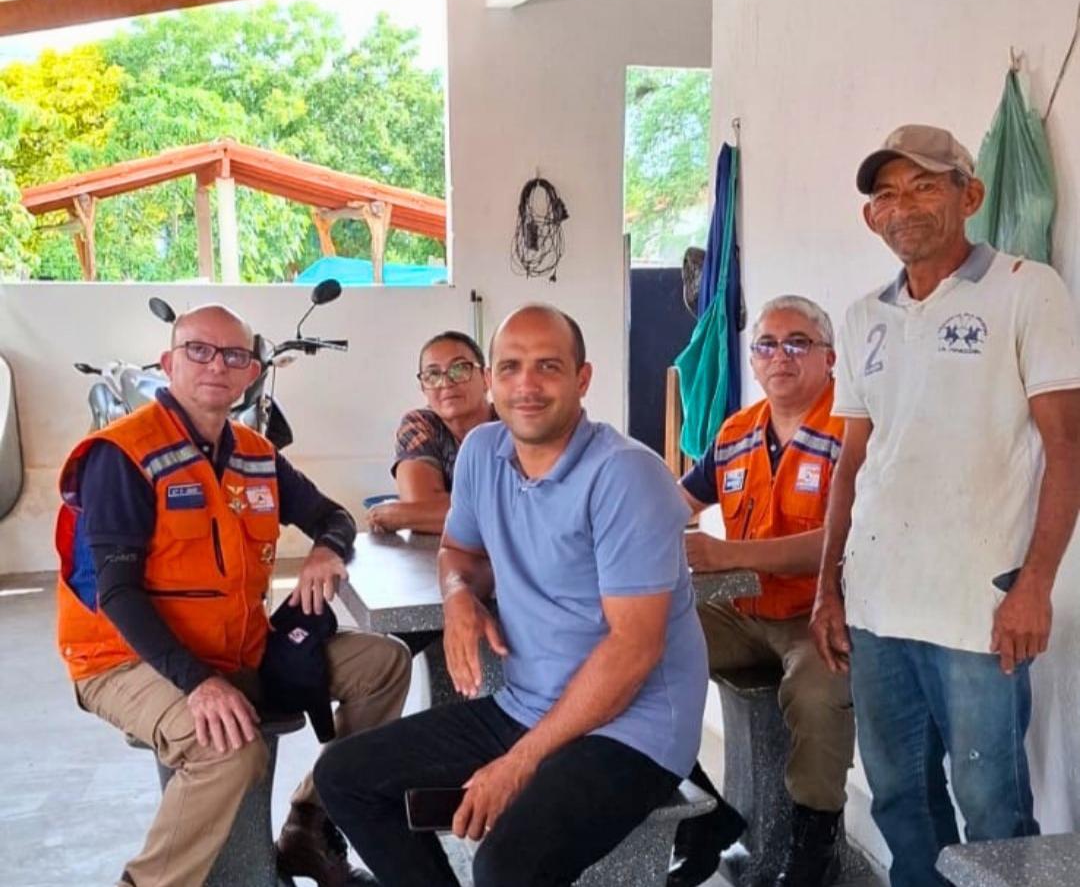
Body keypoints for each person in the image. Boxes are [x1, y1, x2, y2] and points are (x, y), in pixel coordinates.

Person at [315, 304, 710, 887]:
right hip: (527, 705)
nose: (527, 385)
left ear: (582, 379)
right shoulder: (482, 452)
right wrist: (458, 597)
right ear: (491, 380)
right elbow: (460, 551)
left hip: (634, 729)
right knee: (345, 776)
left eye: (548, 366)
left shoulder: (627, 475)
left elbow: (634, 649)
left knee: (504, 863)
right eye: (510, 367)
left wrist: (518, 763)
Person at [55, 303, 412, 887]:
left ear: (251, 372)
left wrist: (326, 549)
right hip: (123, 659)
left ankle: (309, 827)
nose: (217, 365)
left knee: (385, 663)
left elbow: (334, 516)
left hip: (239, 648)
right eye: (199, 350)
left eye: (235, 355)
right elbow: (117, 594)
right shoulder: (123, 455)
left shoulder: (255, 452)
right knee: (229, 751)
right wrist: (198, 682)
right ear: (169, 362)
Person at [810, 125, 1080, 887]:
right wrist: (829, 587)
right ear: (871, 216)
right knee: (901, 800)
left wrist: (1034, 585)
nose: (904, 206)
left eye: (925, 185)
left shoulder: (1027, 290)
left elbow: (1068, 447)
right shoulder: (863, 316)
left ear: (971, 194)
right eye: (886, 193)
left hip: (977, 608)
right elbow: (853, 463)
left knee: (993, 813)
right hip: (876, 606)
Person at [672, 295, 853, 887]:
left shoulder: (852, 430)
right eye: (767, 345)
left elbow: (841, 540)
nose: (781, 356)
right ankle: (702, 810)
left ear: (829, 357)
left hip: (819, 615)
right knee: (641, 645)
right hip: (742, 610)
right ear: (751, 360)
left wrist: (728, 555)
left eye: (798, 343)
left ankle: (814, 846)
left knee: (817, 695)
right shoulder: (736, 432)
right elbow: (676, 502)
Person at [367, 330, 494, 535]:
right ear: (423, 388)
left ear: (487, 379)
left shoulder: (512, 424)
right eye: (433, 375)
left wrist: (403, 515)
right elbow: (420, 508)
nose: (446, 383)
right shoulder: (420, 425)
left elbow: (531, 511)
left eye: (459, 369)